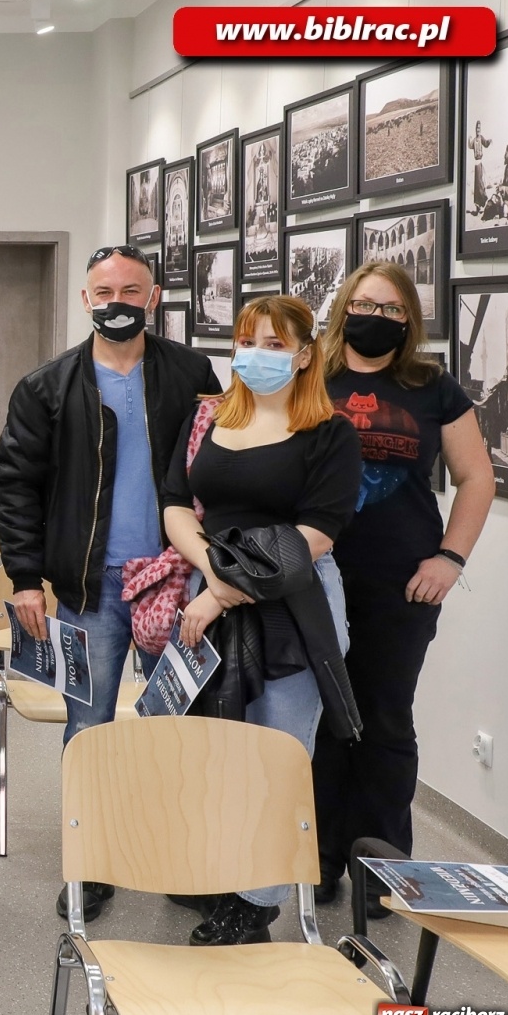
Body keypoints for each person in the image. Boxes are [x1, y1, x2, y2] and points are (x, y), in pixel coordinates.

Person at [0, 244, 220, 922]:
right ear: (84, 300)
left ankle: (181, 857)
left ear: (153, 298)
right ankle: (90, 863)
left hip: (172, 585)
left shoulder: (191, 374)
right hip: (88, 589)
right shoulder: (47, 386)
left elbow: (218, 470)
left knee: (180, 724)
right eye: (104, 291)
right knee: (88, 729)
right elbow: (14, 486)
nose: (117, 301)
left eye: (131, 289)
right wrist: (26, 579)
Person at [161, 294, 363, 946]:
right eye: (249, 341)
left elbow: (316, 534)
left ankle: (256, 907)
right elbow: (174, 505)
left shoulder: (329, 433)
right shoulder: (209, 417)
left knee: (278, 754)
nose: (259, 356)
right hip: (210, 588)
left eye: (276, 345)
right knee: (217, 752)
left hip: (292, 604)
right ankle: (221, 877)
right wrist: (209, 575)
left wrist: (221, 592)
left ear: (305, 355)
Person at [313, 262, 494, 908]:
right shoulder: (312, 374)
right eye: (364, 304)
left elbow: (477, 476)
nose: (376, 317)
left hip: (403, 583)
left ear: (409, 321)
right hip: (315, 578)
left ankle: (382, 874)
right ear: (343, 308)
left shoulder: (430, 385)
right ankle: (321, 860)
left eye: (391, 309)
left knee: (384, 719)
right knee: (324, 719)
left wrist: (450, 558)